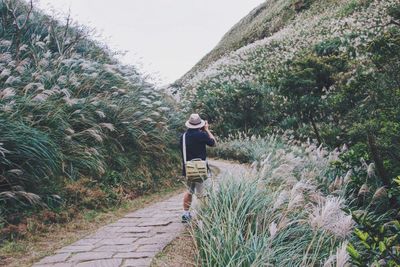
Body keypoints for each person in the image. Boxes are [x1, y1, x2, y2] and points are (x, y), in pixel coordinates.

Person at [180, 113, 216, 223]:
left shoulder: (183, 137)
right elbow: (213, 143)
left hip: (188, 169)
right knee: (202, 193)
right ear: (199, 124)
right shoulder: (202, 135)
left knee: (189, 191)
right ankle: (204, 215)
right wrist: (207, 130)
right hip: (201, 169)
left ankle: (186, 214)